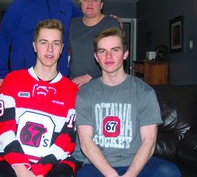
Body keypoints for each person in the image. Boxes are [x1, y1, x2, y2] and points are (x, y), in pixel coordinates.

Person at [75, 27, 181, 177]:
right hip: (97, 165)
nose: (108, 56)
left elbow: (149, 142)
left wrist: (130, 174)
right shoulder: (85, 94)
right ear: (96, 57)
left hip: (137, 164)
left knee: (169, 172)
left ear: (125, 54)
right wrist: (111, 174)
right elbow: (86, 143)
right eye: (102, 51)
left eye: (115, 50)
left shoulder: (145, 92)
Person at [0, 19, 79, 177]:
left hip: (55, 162)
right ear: (34, 46)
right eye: (44, 42)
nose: (50, 49)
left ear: (62, 49)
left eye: (56, 43)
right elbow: (4, 129)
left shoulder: (72, 89)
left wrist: (37, 172)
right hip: (12, 159)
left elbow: (67, 140)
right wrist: (22, 169)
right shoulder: (12, 80)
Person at [0, 0, 82, 93]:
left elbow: (88, 23)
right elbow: (3, 39)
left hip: (59, 79)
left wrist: (107, 20)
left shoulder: (67, 5)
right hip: (24, 79)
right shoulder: (18, 6)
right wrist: (1, 74)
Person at [69, 0, 119, 88]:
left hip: (100, 83)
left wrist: (90, 76)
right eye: (86, 0)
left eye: (95, 0)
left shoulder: (110, 23)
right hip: (74, 84)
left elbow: (115, 57)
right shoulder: (72, 24)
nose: (89, 3)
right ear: (81, 4)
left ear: (101, 5)